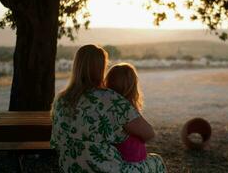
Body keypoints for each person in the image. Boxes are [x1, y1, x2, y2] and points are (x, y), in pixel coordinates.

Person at [50, 44, 166, 173]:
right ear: (100, 69)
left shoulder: (60, 100)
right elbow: (148, 133)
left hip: (69, 168)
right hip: (108, 169)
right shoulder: (110, 99)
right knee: (156, 161)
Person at [105, 63, 146, 163]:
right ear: (133, 86)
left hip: (114, 158)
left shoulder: (104, 107)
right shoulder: (129, 110)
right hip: (133, 158)